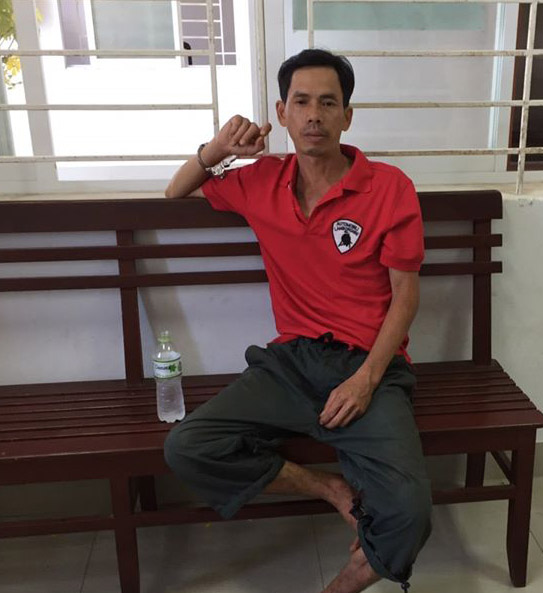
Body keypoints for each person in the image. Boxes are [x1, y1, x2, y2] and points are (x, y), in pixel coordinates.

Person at [164, 48, 432, 593]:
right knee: (187, 447)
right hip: (289, 363)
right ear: (282, 113)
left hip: (368, 366)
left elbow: (405, 298)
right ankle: (331, 489)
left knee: (410, 512)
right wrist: (220, 147)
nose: (314, 115)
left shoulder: (389, 187)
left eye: (328, 103)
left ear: (347, 116)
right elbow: (175, 191)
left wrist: (366, 380)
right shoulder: (261, 180)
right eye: (302, 102)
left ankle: (347, 581)